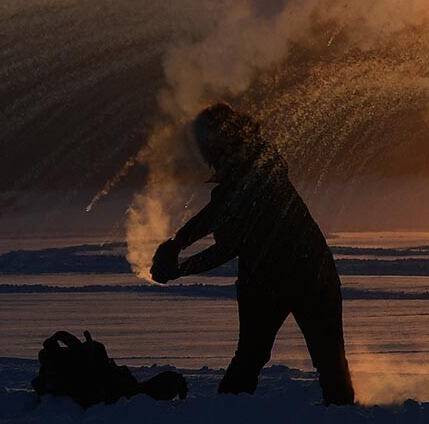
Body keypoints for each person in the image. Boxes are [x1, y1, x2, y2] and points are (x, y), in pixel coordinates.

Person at [150, 102, 354, 405]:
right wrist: (179, 241)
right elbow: (218, 212)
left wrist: (179, 265)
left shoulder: (249, 178)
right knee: (326, 361)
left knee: (252, 358)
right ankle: (342, 413)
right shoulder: (262, 166)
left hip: (272, 281)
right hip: (312, 272)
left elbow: (226, 245)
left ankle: (228, 412)